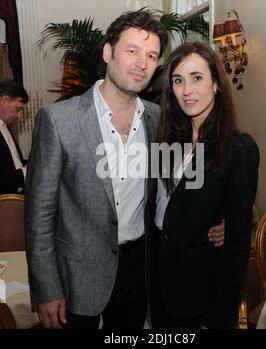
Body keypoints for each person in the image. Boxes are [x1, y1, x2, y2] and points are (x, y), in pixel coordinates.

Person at [25, 10, 224, 330]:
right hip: (75, 275)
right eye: (132, 50)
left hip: (138, 270)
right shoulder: (59, 120)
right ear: (108, 52)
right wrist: (46, 287)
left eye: (151, 55)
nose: (142, 63)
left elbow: (184, 186)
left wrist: (220, 219)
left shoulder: (160, 120)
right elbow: (39, 215)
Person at [149, 42, 259, 329]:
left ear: (216, 85)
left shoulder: (237, 148)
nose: (187, 90)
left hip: (201, 295)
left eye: (197, 78)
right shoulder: (167, 142)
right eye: (178, 80)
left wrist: (218, 316)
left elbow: (237, 248)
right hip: (159, 283)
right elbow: (162, 207)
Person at [0, 79, 29, 195]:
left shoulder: (4, 126)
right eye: (18, 109)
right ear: (4, 101)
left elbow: (14, 162)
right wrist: (28, 171)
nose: (19, 116)